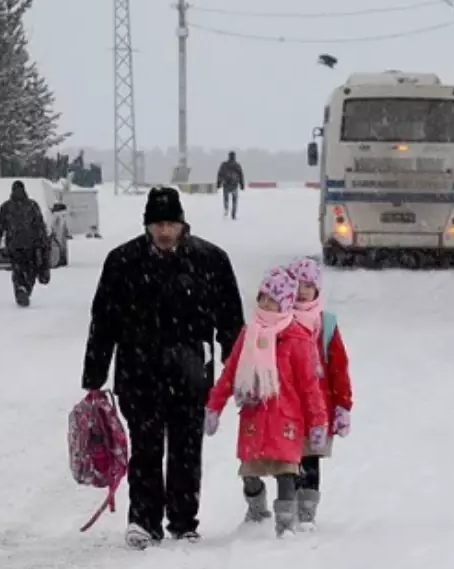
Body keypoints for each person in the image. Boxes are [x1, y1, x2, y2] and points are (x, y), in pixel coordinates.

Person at [82, 186, 245, 549]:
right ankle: (143, 520)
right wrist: (94, 376)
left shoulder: (211, 260)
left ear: (182, 224)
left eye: (171, 223)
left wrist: (238, 372)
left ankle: (184, 521)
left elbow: (231, 322)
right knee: (146, 446)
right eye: (158, 224)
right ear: (147, 226)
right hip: (138, 373)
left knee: (187, 450)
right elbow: (103, 322)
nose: (165, 231)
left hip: (191, 372)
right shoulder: (122, 262)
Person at [204, 265, 328, 537]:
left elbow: (310, 386)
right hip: (255, 415)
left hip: (286, 416)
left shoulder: (297, 339)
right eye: (263, 298)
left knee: (286, 470)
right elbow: (230, 373)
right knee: (249, 470)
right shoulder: (248, 334)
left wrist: (318, 422)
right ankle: (257, 509)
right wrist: (214, 405)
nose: (266, 303)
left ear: (285, 303)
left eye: (273, 299)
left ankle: (285, 525)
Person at [285, 256, 353, 529]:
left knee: (310, 457)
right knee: (287, 457)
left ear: (317, 289)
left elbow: (338, 366)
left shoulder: (325, 324)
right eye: (298, 284)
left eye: (309, 285)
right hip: (287, 403)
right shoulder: (279, 320)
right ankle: (286, 505)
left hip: (318, 405)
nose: (303, 290)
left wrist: (342, 405)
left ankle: (307, 509)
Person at [0, 180, 49, 307]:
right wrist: (43, 243)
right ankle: (26, 289)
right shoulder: (32, 206)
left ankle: (20, 289)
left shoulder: (6, 207)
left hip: (14, 245)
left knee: (17, 270)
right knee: (31, 270)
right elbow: (40, 226)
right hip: (31, 245)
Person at [216, 150, 245, 220]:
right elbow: (241, 175)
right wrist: (242, 184)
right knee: (234, 200)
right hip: (234, 185)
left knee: (226, 199)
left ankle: (226, 209)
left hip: (226, 184)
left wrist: (218, 183)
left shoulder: (224, 164)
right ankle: (233, 214)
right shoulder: (237, 165)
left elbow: (220, 174)